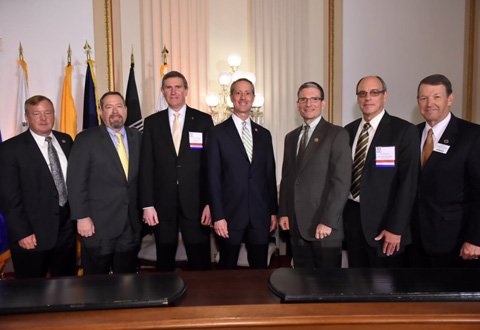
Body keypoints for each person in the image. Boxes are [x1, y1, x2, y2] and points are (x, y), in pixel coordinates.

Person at [140, 71, 214, 271]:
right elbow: (146, 166)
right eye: (169, 87)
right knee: (164, 262)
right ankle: (165, 300)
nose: (174, 92)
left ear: (186, 90)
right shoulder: (152, 123)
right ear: (163, 91)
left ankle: (202, 300)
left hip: (197, 204)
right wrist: (147, 204)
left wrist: (210, 202)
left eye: (178, 87)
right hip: (162, 204)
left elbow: (210, 165)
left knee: (200, 262)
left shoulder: (203, 120)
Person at [343, 76, 420, 267]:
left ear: (385, 96)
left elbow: (408, 184)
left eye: (374, 92)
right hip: (352, 220)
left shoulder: (403, 130)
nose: (368, 98)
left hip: (386, 226)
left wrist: (396, 228)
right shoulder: (348, 131)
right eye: (363, 93)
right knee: (356, 282)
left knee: (385, 286)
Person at [0, 95, 76, 278]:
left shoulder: (66, 141)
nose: (43, 118)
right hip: (32, 235)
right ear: (27, 117)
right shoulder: (10, 149)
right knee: (31, 293)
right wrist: (22, 233)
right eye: (37, 114)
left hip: (67, 232)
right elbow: (9, 197)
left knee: (67, 288)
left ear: (54, 115)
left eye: (48, 112)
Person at [205, 78, 278, 269]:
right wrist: (218, 216)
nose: (243, 97)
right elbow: (212, 178)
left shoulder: (264, 134)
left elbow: (269, 175)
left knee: (259, 270)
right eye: (238, 93)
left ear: (253, 98)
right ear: (231, 98)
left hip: (260, 215)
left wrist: (273, 211)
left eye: (247, 93)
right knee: (227, 271)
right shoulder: (217, 133)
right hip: (229, 216)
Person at [67, 91, 142, 275]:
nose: (115, 111)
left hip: (131, 224)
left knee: (127, 280)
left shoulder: (138, 137)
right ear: (101, 112)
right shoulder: (86, 139)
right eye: (109, 107)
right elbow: (75, 181)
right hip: (97, 226)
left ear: (125, 110)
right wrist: (82, 217)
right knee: (96, 283)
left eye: (119, 106)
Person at [278, 82, 351, 268]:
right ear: (297, 104)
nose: (308, 103)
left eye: (314, 99)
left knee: (328, 285)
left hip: (324, 227)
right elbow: (287, 178)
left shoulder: (337, 134)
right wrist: (284, 213)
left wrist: (327, 221)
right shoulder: (291, 137)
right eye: (303, 99)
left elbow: (341, 183)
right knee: (302, 283)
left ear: (323, 103)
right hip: (296, 225)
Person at [411, 74, 480, 267]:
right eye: (424, 98)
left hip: (455, 243)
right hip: (414, 241)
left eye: (437, 97)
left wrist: (476, 239)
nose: (429, 103)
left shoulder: (472, 136)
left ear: (450, 98)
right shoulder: (411, 134)